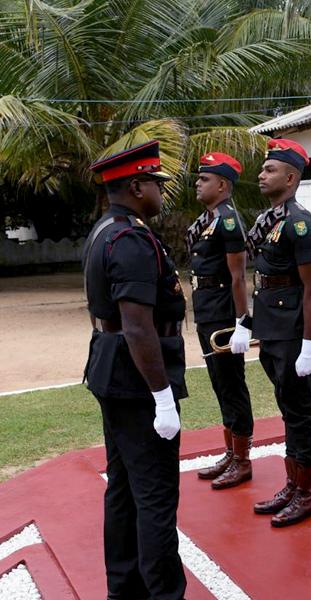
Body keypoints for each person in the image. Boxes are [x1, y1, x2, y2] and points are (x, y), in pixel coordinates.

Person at [83, 140, 187, 598]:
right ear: (137, 186)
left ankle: (124, 590)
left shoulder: (106, 230)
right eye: (156, 184)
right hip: (137, 378)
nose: (161, 192)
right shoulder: (130, 239)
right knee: (155, 495)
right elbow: (138, 326)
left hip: (114, 369)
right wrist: (162, 398)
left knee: (124, 489)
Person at [240, 138, 311, 527]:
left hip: (291, 330)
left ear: (290, 178)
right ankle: (292, 485)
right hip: (272, 327)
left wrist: (308, 345)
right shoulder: (268, 219)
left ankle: (305, 492)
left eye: (270, 169)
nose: (262, 174)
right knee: (287, 406)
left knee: (301, 411)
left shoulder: (299, 222)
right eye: (263, 168)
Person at [187, 152, 254, 489]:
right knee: (218, 382)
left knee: (231, 383)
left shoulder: (228, 220)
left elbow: (238, 276)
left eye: (205, 179)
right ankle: (231, 453)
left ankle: (242, 460)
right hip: (206, 307)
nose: (198, 184)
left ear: (223, 185)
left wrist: (242, 321)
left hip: (223, 311)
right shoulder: (208, 219)